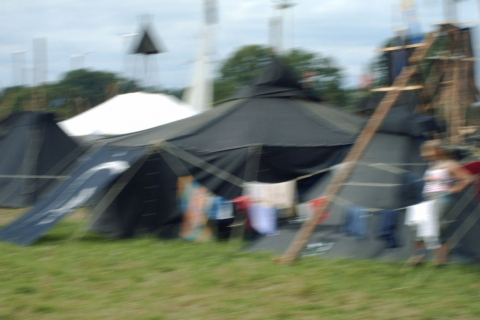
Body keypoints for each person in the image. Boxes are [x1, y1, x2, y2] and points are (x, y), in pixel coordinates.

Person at [409, 140, 473, 266]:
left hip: (441, 198)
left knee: (436, 228)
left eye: (427, 151)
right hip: (428, 199)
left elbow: (467, 178)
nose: (424, 155)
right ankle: (419, 257)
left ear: (438, 151)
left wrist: (453, 189)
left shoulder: (450, 164)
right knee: (419, 226)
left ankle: (440, 259)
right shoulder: (432, 165)